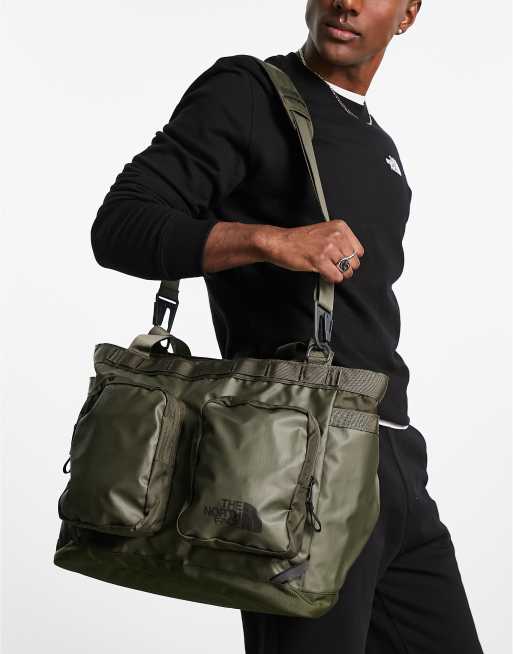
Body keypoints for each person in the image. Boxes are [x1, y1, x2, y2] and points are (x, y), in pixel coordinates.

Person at [90, 0, 484, 651]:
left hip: (392, 458)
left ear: (408, 13)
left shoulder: (381, 148)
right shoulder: (248, 94)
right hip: (293, 464)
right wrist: (271, 240)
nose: (346, 1)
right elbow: (121, 226)